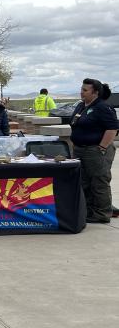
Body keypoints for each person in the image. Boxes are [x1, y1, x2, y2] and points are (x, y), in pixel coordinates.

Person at [70, 78, 119, 223]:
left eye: (85, 90)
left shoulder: (102, 107)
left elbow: (112, 128)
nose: (81, 92)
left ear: (95, 92)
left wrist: (102, 147)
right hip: (80, 150)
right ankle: (89, 211)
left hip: (95, 150)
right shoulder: (81, 106)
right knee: (84, 182)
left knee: (99, 181)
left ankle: (103, 213)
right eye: (81, 89)